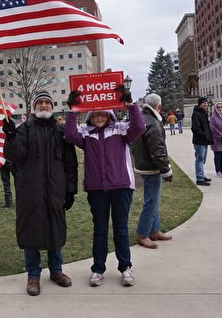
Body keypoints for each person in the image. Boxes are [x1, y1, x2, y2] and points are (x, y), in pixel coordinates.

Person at [64, 85, 144, 287]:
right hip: (96, 188)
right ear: (90, 116)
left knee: (121, 229)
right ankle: (98, 269)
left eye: (103, 114)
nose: (99, 117)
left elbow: (139, 128)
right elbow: (70, 135)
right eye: (95, 114)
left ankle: (125, 268)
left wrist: (131, 105)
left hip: (121, 186)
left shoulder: (121, 129)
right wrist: (73, 110)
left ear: (109, 115)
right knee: (100, 229)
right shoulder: (85, 134)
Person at [2, 91, 78, 296]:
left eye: (47, 102)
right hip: (30, 192)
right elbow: (14, 155)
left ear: (52, 106)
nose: (44, 105)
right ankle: (33, 275)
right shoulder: (25, 129)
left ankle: (56, 270)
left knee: (55, 229)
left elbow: (70, 163)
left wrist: (71, 190)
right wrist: (10, 137)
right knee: (31, 231)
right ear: (35, 107)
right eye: (40, 103)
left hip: (55, 190)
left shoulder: (61, 131)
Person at [132, 93, 174, 250]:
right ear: (159, 106)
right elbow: (158, 151)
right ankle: (143, 234)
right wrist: (166, 170)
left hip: (143, 165)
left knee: (153, 200)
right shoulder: (153, 123)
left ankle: (154, 230)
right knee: (151, 202)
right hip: (151, 168)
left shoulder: (142, 119)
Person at [191, 96, 213, 186]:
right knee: (199, 159)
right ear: (200, 104)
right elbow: (195, 128)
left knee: (202, 159)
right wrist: (204, 135)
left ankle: (202, 175)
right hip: (199, 141)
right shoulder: (196, 114)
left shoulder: (203, 113)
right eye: (204, 103)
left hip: (205, 140)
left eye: (207, 103)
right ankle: (199, 179)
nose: (206, 104)